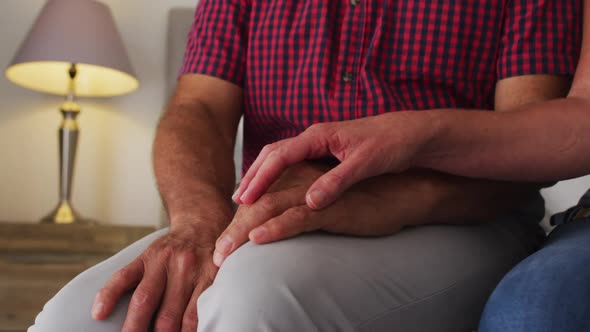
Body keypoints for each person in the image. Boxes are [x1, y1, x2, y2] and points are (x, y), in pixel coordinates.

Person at [28, 1, 581, 331]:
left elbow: (524, 146)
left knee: (256, 303)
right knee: (73, 319)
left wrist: (372, 198)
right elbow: (198, 107)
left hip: (460, 217)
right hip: (255, 216)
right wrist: (197, 224)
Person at [234, 2, 590, 331]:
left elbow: (539, 144)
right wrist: (198, 224)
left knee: (534, 313)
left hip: (471, 211)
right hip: (274, 212)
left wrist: (412, 150)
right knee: (533, 312)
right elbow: (578, 120)